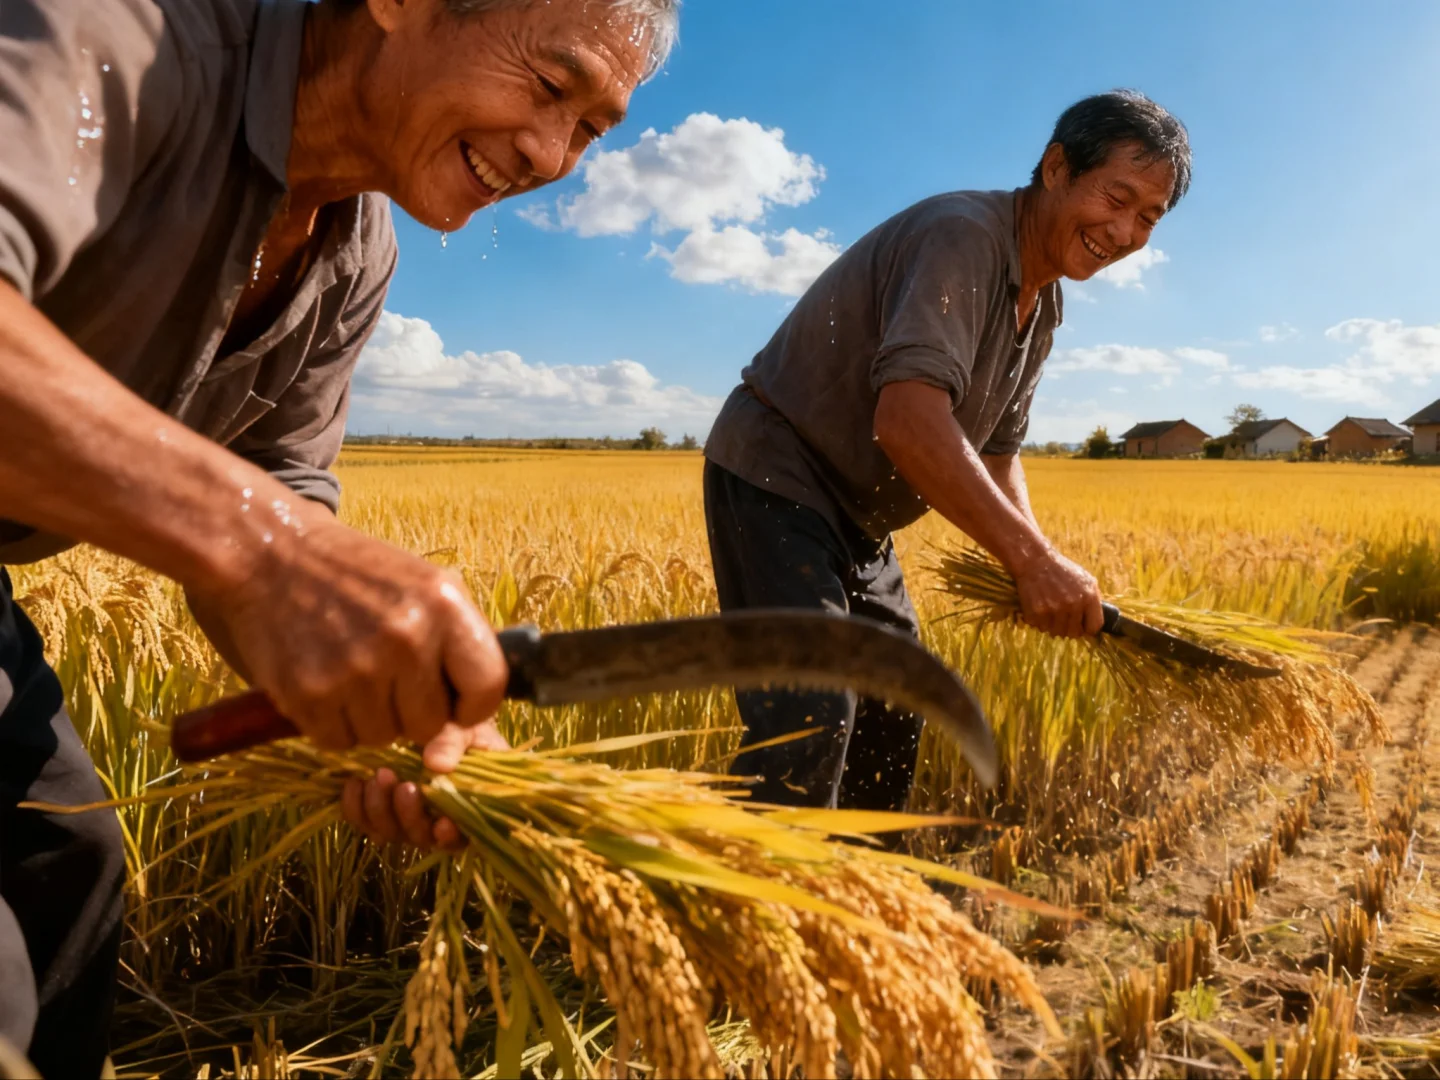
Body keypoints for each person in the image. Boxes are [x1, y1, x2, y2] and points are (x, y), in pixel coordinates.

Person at [0, 0, 678, 1073]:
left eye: (593, 130)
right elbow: (264, 537)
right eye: (550, 88)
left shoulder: (355, 251)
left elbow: (282, 481)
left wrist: (380, 706)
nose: (552, 154)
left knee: (64, 870)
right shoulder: (125, 34)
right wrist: (266, 548)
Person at [703, 90, 1190, 813]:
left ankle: (860, 900)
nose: (1122, 231)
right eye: (1116, 199)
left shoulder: (1044, 301)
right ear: (1056, 168)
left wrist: (1032, 560)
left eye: (1148, 218)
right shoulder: (964, 237)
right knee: (810, 717)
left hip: (858, 517)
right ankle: (745, 913)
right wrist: (1033, 563)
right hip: (780, 475)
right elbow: (907, 418)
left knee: (898, 708)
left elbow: (996, 449)